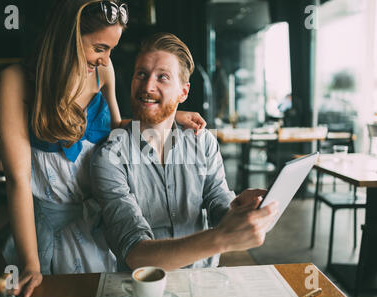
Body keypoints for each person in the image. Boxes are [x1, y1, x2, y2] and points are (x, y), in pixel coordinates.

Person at [0, 0, 206, 297]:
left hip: (100, 223)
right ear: (67, 38)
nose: (106, 60)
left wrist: (168, 116)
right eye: (99, 48)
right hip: (48, 232)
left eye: (111, 50)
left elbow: (116, 128)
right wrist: (30, 263)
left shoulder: (102, 74)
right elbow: (17, 180)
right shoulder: (14, 82)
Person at [90, 32, 279, 272]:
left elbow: (218, 202)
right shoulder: (110, 157)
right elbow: (135, 252)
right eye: (141, 74)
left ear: (184, 92)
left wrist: (238, 210)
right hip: (144, 291)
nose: (148, 86)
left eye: (163, 77)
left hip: (204, 281)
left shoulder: (203, 143)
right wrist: (222, 238)